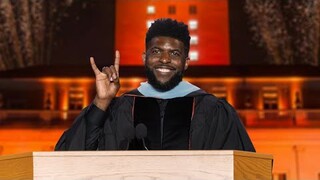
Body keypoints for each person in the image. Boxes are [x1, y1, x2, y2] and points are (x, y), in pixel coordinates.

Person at [55, 18, 255, 151]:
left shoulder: (213, 111)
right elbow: (71, 156)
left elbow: (243, 170)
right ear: (144, 57)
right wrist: (101, 102)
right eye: (156, 51)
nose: (165, 59)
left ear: (186, 62)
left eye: (175, 54)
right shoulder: (120, 109)